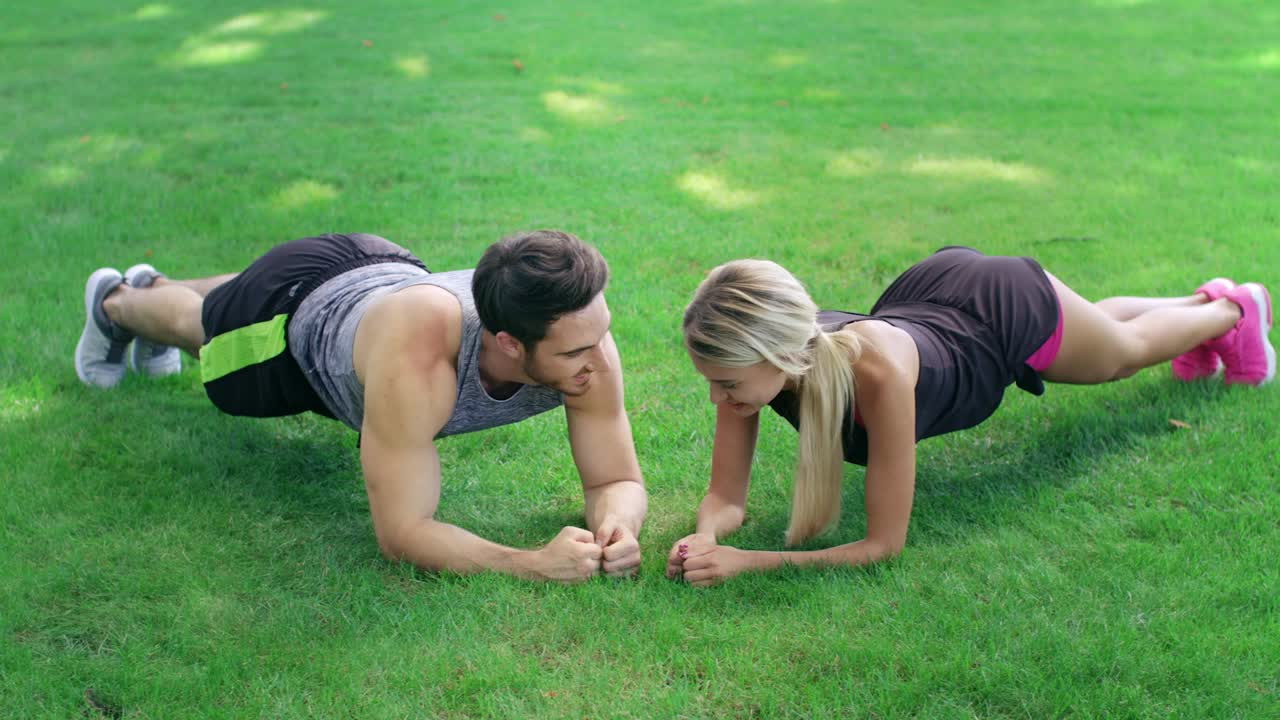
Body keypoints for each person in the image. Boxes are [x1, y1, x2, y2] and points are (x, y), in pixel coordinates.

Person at [665, 246, 1273, 587]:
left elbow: (883, 545)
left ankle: (1235, 312)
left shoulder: (877, 375)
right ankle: (1200, 302)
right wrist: (709, 535)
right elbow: (726, 496)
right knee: (1095, 331)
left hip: (998, 312)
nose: (718, 399)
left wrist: (750, 563)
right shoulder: (757, 373)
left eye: (726, 383)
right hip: (935, 297)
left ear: (778, 355)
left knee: (1120, 356)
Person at [75, 231, 647, 582]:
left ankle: (157, 283)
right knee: (204, 329)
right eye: (576, 351)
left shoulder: (581, 336)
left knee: (229, 299)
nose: (599, 358)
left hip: (378, 267)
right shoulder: (420, 362)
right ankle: (117, 303)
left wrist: (616, 526)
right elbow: (402, 533)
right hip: (293, 318)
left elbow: (614, 479)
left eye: (601, 335)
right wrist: (530, 564)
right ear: (509, 343)